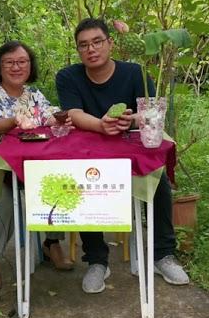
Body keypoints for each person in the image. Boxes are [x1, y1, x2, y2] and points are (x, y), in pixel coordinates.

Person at [55, 17, 189, 294]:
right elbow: (75, 114)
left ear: (110, 43)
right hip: (89, 147)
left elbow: (149, 112)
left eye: (97, 42)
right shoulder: (68, 76)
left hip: (130, 143)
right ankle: (96, 260)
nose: (91, 49)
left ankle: (162, 255)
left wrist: (128, 120)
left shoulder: (134, 73)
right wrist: (101, 125)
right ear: (78, 51)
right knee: (82, 184)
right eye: (83, 45)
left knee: (158, 180)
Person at [0, 40, 74, 291]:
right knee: (5, 198)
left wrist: (65, 117)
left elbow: (50, 114)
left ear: (30, 65)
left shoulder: (33, 95)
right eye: (9, 62)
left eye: (22, 61)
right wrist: (16, 120)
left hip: (28, 165)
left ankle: (51, 244)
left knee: (58, 185)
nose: (16, 67)